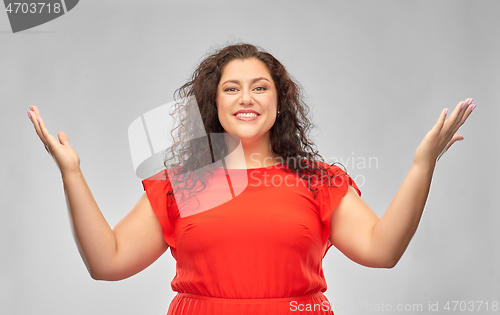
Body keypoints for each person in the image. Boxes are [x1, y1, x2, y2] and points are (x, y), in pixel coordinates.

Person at [28, 43, 475, 315]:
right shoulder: (184, 184)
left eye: (260, 87)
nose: (246, 98)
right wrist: (72, 172)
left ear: (279, 103)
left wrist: (422, 167)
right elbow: (107, 262)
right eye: (231, 87)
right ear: (214, 104)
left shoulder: (317, 181)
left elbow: (383, 250)